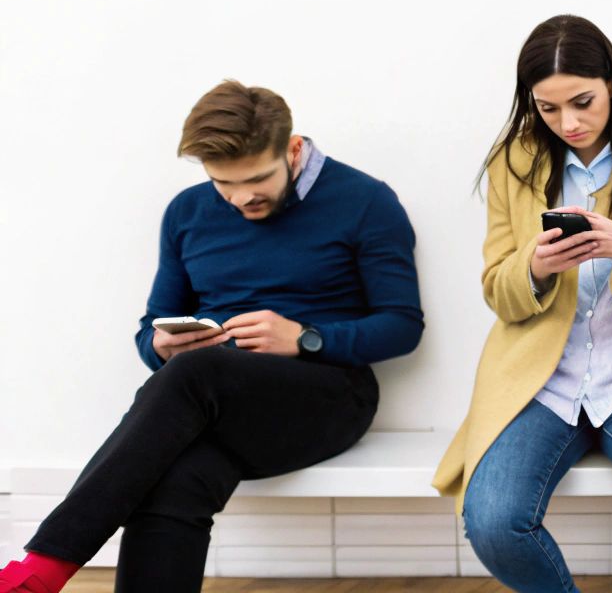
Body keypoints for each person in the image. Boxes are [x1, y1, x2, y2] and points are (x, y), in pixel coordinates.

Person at [0, 81, 423, 593]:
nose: (241, 198)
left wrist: (305, 338)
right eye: (224, 184)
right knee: (177, 477)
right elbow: (151, 325)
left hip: (329, 396)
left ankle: (40, 571)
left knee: (197, 374)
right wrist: (161, 345)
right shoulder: (186, 212)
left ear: (293, 150)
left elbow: (402, 325)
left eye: (257, 180)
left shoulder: (365, 201)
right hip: (211, 397)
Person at [435, 15, 612, 593]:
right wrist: (536, 268)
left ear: (611, 83)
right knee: (491, 522)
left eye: (583, 101)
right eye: (547, 108)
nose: (568, 122)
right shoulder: (513, 164)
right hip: (540, 378)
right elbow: (498, 290)